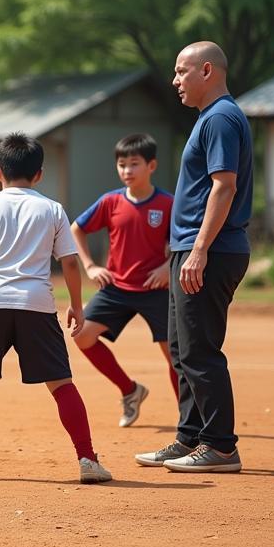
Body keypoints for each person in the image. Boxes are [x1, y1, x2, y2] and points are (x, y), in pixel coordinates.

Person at [0, 132, 112, 485]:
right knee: (61, 384)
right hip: (37, 304)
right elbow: (71, 263)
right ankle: (88, 460)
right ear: (39, 174)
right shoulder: (51, 208)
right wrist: (76, 305)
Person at [136, 42, 253, 474]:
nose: (175, 81)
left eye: (181, 71)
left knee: (201, 351)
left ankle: (221, 448)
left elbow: (225, 186)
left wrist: (199, 249)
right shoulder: (209, 117)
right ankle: (191, 437)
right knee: (182, 352)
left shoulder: (221, 117)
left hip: (211, 250)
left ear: (207, 70)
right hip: (190, 249)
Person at [71, 133, 177, 427]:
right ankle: (130, 391)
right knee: (82, 335)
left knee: (175, 357)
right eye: (121, 165)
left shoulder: (169, 204)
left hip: (157, 289)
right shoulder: (110, 201)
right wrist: (90, 265)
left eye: (134, 164)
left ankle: (189, 422)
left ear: (151, 165)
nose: (127, 170)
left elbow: (187, 242)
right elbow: (76, 228)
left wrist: (168, 266)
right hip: (116, 287)